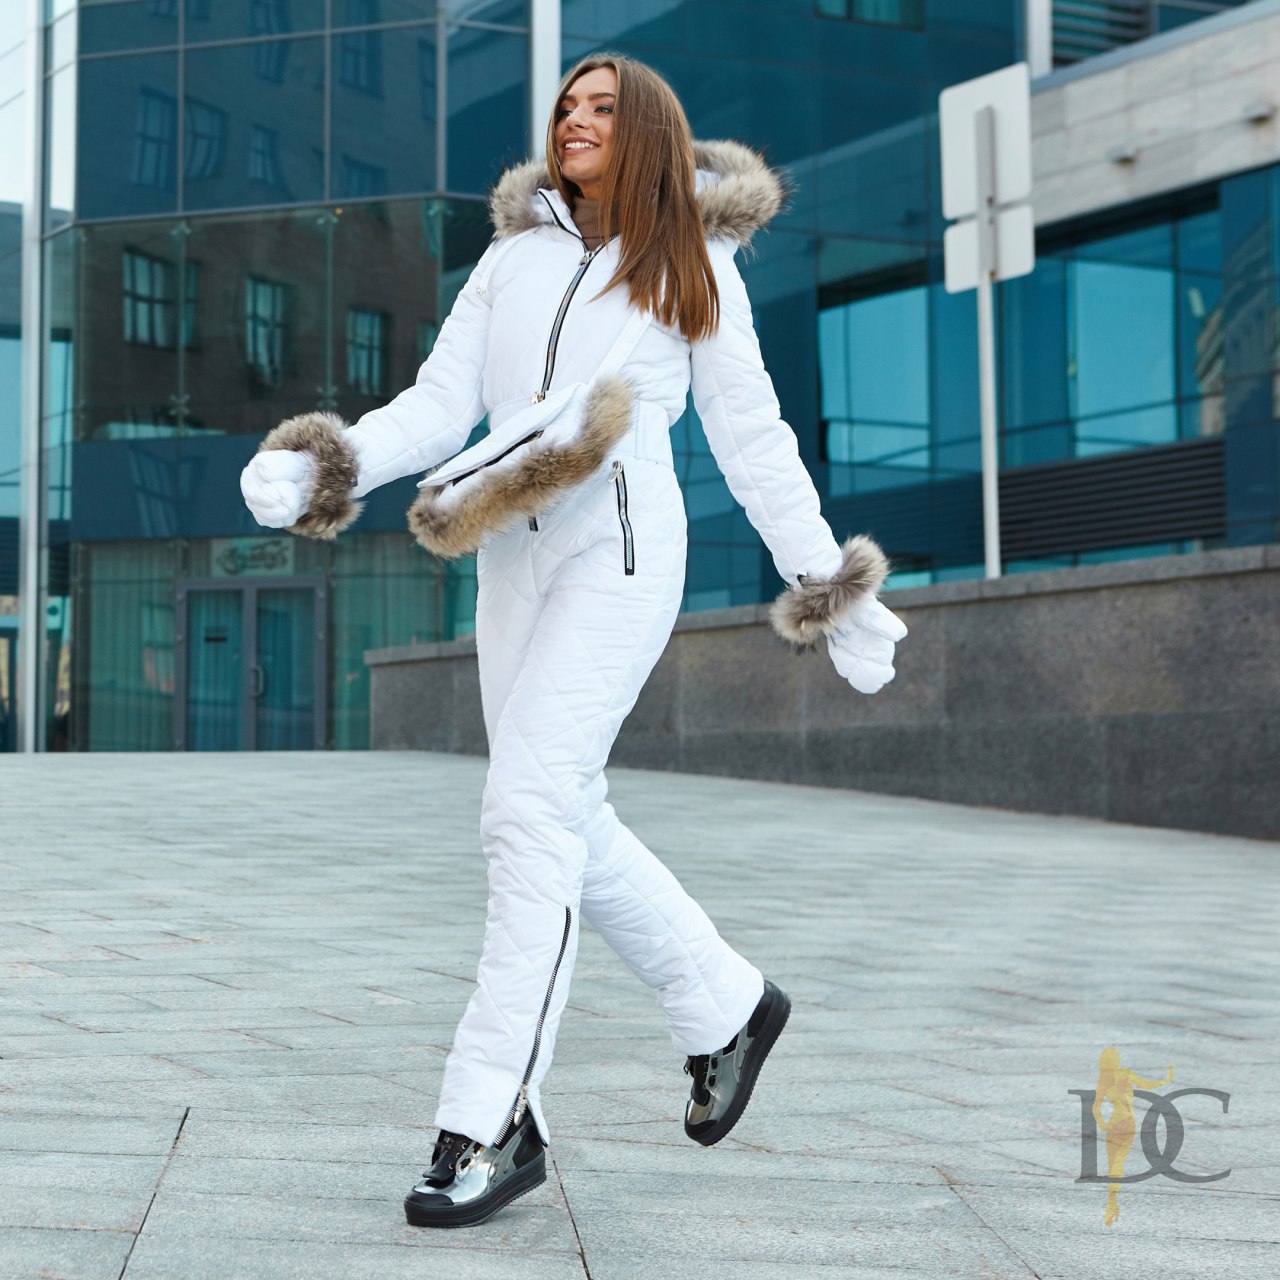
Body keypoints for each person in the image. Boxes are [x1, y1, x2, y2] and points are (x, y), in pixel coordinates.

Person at [239, 52, 908, 1229]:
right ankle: (725, 1006)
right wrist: (325, 462)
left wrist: (826, 585)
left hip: (623, 547)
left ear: (646, 129)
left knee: (523, 811)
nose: (575, 119)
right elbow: (442, 408)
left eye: (603, 107)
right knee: (558, 809)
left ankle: (491, 1116)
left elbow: (752, 438)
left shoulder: (691, 259)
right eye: (566, 106)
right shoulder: (510, 258)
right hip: (512, 552)